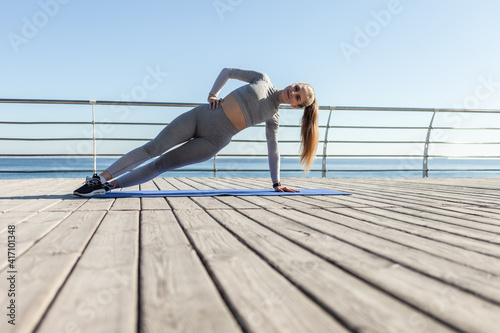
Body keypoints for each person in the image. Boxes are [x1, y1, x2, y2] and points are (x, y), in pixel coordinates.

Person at [73, 68, 319, 196]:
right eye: (296, 87)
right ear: (293, 82)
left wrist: (276, 183)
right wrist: (213, 94)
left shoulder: (273, 117)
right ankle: (100, 177)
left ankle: (108, 187)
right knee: (153, 148)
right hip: (199, 117)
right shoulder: (262, 79)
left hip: (213, 141)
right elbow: (228, 71)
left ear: (296, 106)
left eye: (297, 97)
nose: (293, 92)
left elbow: (273, 149)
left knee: (161, 165)